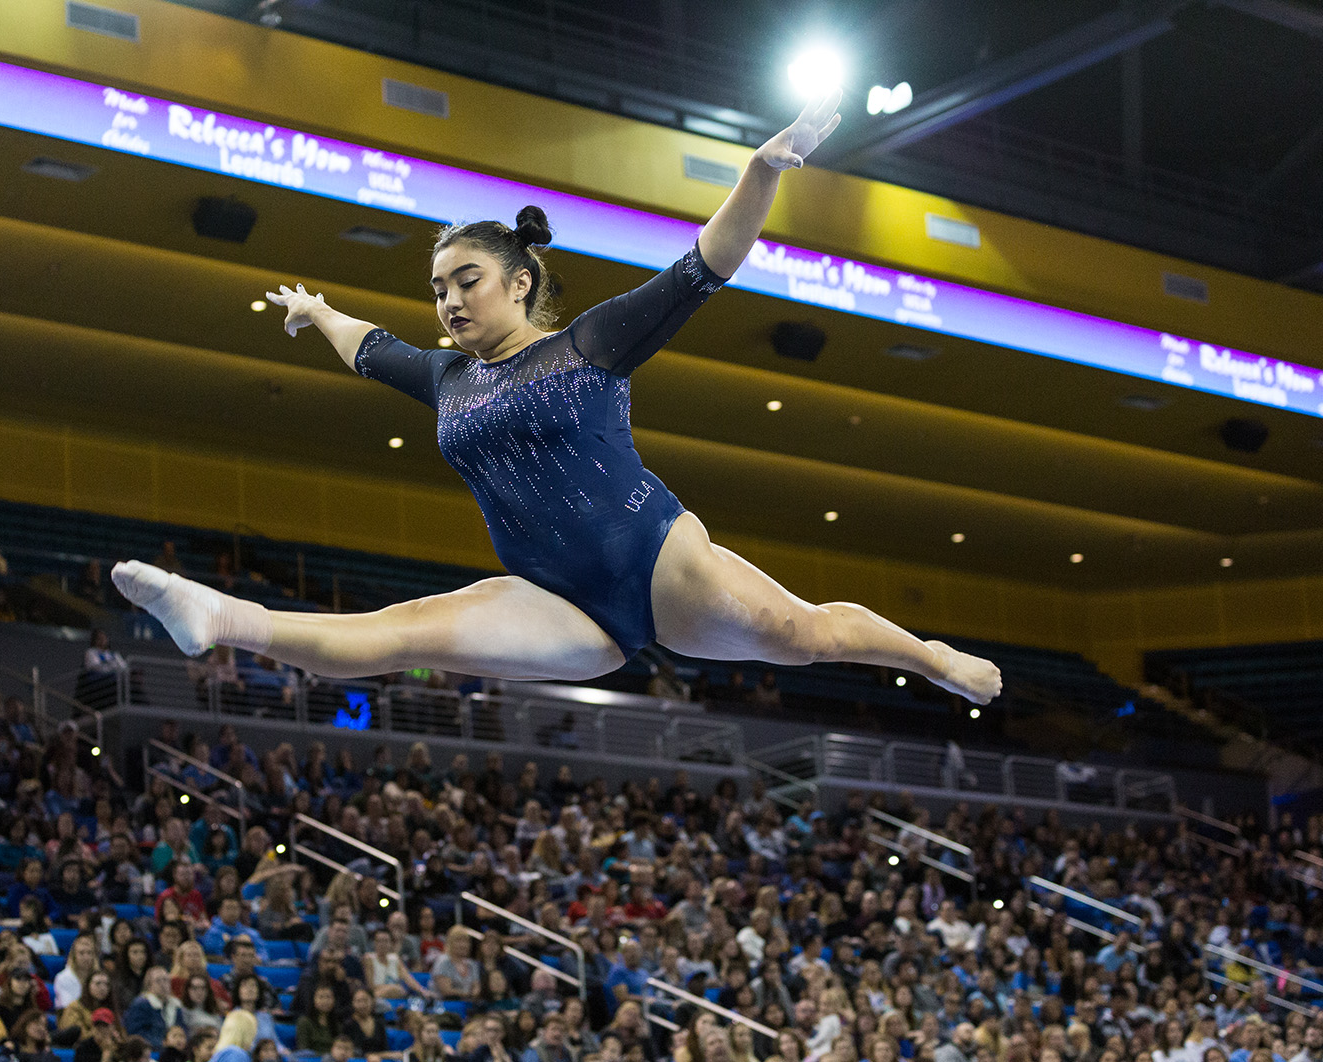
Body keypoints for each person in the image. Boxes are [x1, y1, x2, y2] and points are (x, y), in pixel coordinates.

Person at [111, 89, 1002, 710]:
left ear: (521, 279)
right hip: (560, 606)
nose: (451, 303)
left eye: (467, 281)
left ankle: (933, 660)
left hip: (656, 558)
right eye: (437, 290)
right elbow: (372, 352)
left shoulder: (592, 344)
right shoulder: (447, 378)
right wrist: (319, 311)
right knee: (401, 634)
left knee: (797, 631)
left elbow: (706, 265)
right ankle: (217, 616)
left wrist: (764, 169)